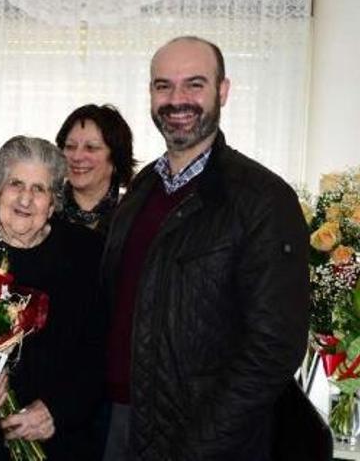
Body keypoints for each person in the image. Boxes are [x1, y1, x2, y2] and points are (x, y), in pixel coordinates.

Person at [100, 36, 310, 460]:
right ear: (150, 94)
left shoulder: (263, 199)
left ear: (223, 91)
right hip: (121, 426)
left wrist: (199, 445)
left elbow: (274, 349)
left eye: (194, 84)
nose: (177, 100)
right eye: (163, 86)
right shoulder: (140, 190)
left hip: (206, 443)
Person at [0, 136, 106, 460]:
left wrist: (57, 410)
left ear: (54, 201)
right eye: (16, 183)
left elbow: (101, 351)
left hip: (60, 439)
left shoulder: (87, 253)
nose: (26, 199)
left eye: (39, 189)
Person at [55, 104, 136, 234]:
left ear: (116, 157)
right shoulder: (43, 210)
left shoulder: (134, 216)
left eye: (91, 148)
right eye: (70, 146)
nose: (77, 156)